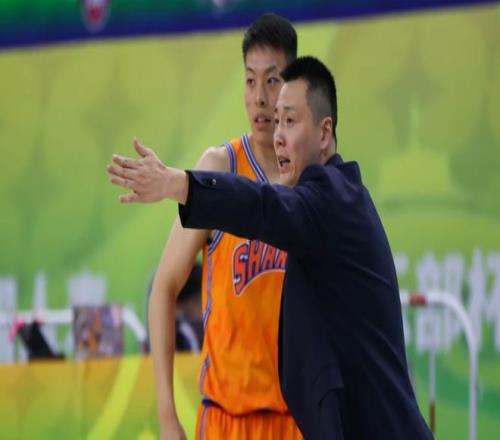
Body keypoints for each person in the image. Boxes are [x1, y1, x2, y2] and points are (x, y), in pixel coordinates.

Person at [108, 56, 433, 439]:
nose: (277, 134)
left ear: (325, 133)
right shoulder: (332, 200)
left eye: (290, 121)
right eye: (277, 120)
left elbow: (261, 205)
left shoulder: (329, 201)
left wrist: (177, 184)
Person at [116, 13, 302, 440]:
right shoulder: (220, 167)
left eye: (272, 81)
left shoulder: (313, 180)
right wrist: (167, 415)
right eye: (250, 81)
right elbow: (164, 288)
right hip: (226, 420)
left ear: (293, 86)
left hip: (299, 422)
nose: (259, 97)